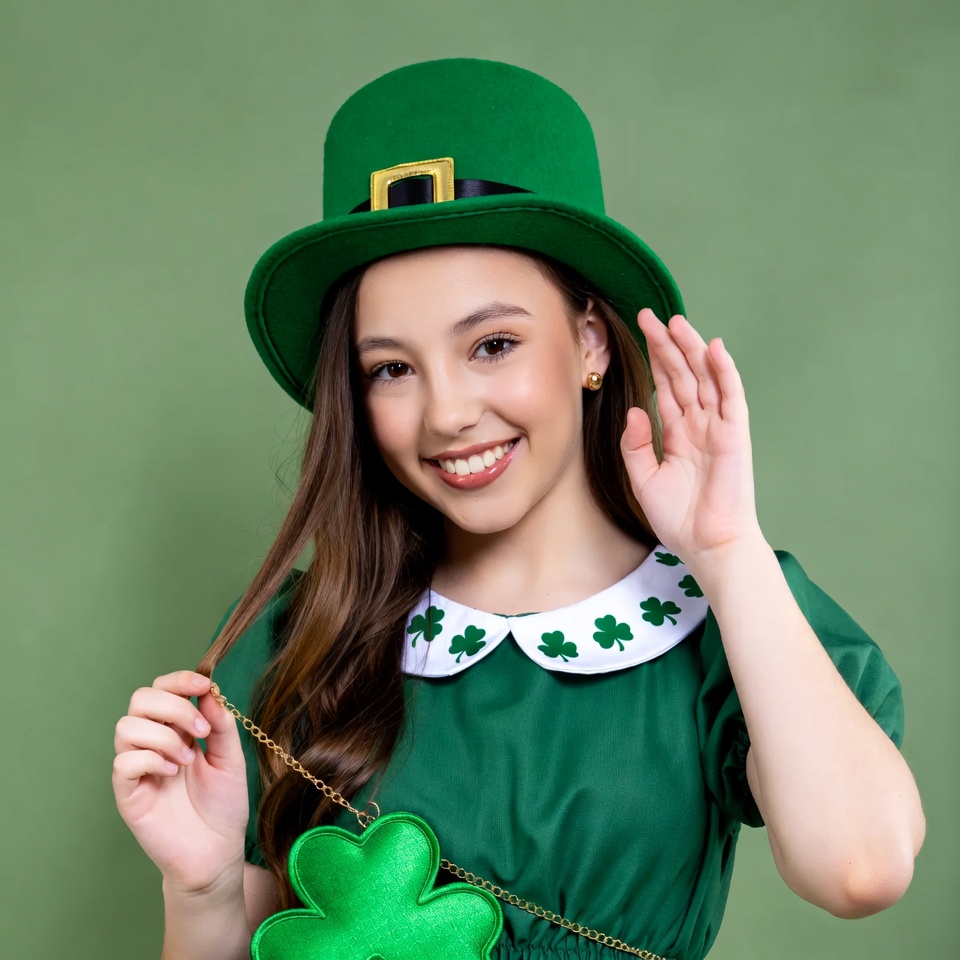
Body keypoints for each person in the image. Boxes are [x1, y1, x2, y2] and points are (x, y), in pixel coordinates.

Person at [112, 59, 925, 960]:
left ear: (588, 341)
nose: (448, 412)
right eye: (392, 368)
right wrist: (204, 886)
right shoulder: (294, 637)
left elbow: (861, 869)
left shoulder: (729, 618)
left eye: (493, 344)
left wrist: (726, 551)